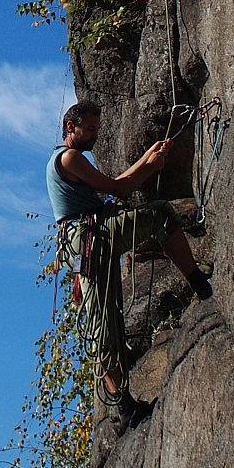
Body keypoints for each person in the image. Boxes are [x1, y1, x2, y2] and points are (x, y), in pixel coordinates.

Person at [47, 98, 213, 431]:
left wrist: (146, 159)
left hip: (93, 237)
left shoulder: (72, 161)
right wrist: (149, 166)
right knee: (102, 321)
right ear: (71, 127)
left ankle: (198, 281)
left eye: (97, 129)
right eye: (89, 129)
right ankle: (123, 406)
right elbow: (121, 188)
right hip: (90, 239)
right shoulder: (69, 158)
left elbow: (114, 189)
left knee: (159, 219)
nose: (94, 135)